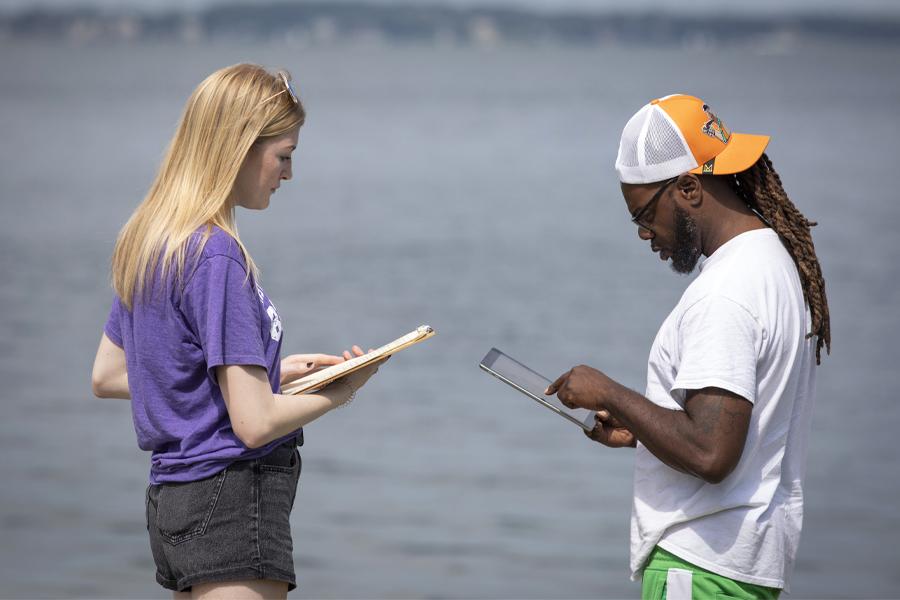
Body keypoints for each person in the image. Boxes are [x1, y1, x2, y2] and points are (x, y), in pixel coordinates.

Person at [90, 64, 385, 598]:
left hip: (173, 502)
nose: (289, 174)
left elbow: (110, 374)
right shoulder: (217, 255)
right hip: (231, 499)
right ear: (240, 147)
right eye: (285, 155)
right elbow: (253, 426)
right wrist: (341, 391)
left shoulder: (151, 240)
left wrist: (261, 373)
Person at [546, 94, 830, 598]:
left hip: (701, 568)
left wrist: (609, 393)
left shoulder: (724, 293)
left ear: (688, 188)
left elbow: (710, 453)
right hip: (743, 564)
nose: (642, 234)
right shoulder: (772, 262)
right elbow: (740, 432)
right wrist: (639, 427)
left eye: (644, 214)